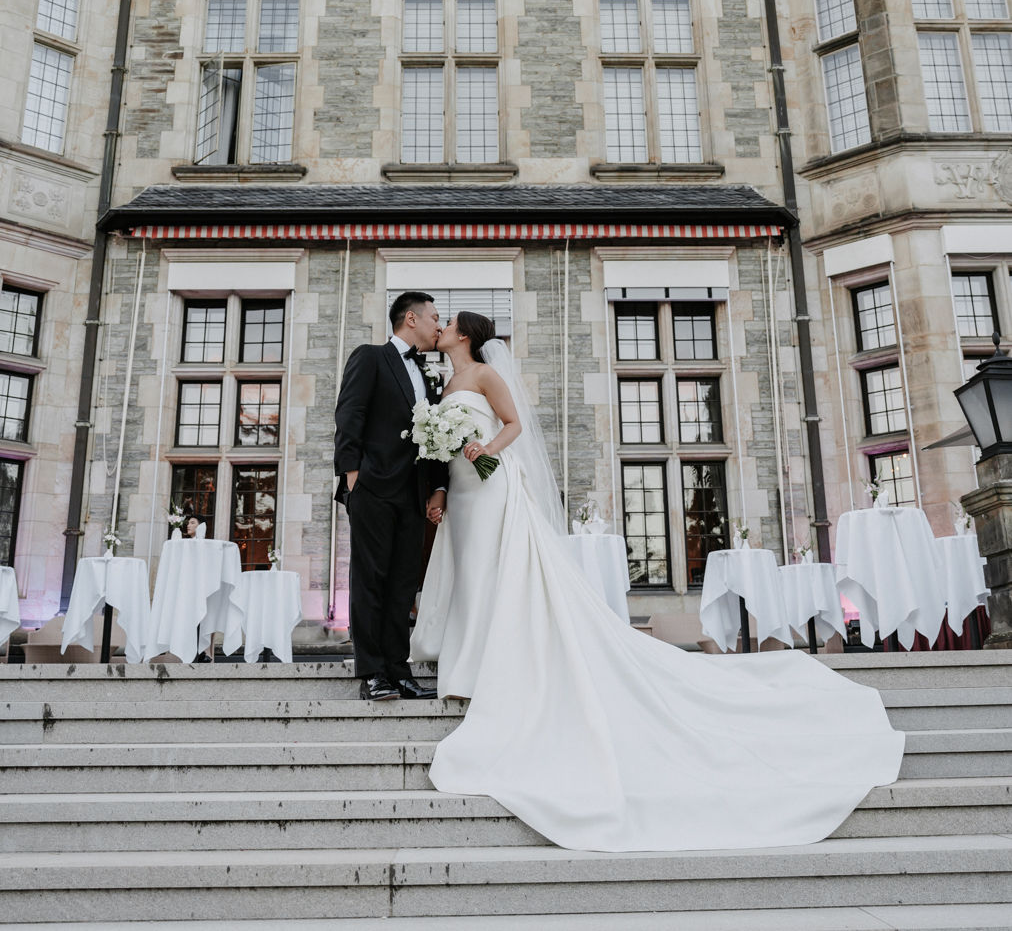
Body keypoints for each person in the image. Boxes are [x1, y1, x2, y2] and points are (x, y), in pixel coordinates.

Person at [411, 312, 905, 854]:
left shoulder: (483, 374)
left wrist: (487, 451)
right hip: (460, 492)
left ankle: (490, 665)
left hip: (492, 486)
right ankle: (468, 661)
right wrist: (440, 486)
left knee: (495, 573)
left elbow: (513, 426)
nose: (439, 324)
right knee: (471, 575)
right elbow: (438, 446)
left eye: (447, 321)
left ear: (465, 335)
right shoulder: (444, 381)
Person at [334, 291, 448, 703]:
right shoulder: (371, 357)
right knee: (370, 580)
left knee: (403, 585)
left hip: (413, 494)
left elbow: (436, 439)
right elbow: (349, 415)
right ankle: (373, 673)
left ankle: (399, 672)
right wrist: (352, 479)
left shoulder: (432, 374)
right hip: (372, 489)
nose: (440, 325)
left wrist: (438, 486)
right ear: (411, 319)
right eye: (435, 317)